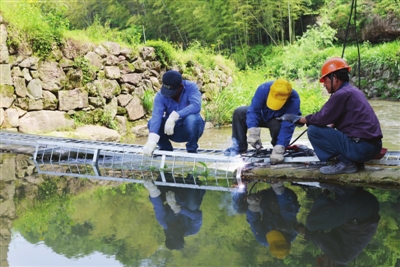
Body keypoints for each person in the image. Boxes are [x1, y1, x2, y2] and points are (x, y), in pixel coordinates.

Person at [278, 57, 383, 174]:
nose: (324, 85)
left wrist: (299, 119)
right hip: (374, 147)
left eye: (325, 80)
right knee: (322, 129)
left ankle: (346, 163)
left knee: (313, 130)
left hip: (360, 148)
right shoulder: (354, 91)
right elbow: (335, 120)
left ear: (335, 78)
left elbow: (322, 118)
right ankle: (353, 161)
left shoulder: (341, 94)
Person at [294, 184, 380, 267]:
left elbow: (325, 238)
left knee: (330, 215)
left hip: (371, 204)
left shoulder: (347, 255)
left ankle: (347, 191)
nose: (322, 257)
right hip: (358, 209)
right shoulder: (339, 258)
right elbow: (320, 240)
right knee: (312, 224)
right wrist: (305, 232)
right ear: (333, 265)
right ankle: (343, 191)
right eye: (323, 262)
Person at [224, 79, 301, 164]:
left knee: (277, 126)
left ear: (288, 96)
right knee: (239, 112)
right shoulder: (264, 88)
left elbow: (288, 125)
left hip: (277, 119)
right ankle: (239, 147)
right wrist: (253, 132)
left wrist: (280, 147)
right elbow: (253, 111)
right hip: (262, 114)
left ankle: (278, 149)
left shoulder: (294, 99)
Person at [143, 70, 205, 156]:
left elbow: (196, 106)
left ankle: (192, 149)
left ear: (180, 87)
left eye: (171, 92)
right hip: (171, 130)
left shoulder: (191, 87)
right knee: (151, 123)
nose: (168, 95)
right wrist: (151, 140)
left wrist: (175, 115)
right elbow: (156, 117)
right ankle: (165, 149)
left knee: (193, 119)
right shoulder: (160, 96)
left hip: (191, 129)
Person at [232, 182, 300, 259]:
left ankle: (241, 183)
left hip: (264, 202)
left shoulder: (262, 238)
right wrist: (278, 189)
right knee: (275, 205)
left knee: (239, 207)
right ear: (286, 240)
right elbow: (287, 209)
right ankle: (277, 186)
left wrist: (253, 205)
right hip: (286, 198)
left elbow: (253, 221)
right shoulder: (292, 232)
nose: (274, 231)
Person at [143, 174, 206, 250]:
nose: (171, 228)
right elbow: (198, 216)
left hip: (172, 192)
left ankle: (165, 175)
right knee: (193, 207)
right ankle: (192, 177)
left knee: (155, 197)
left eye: (169, 233)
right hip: (188, 194)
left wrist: (152, 191)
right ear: (180, 235)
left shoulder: (164, 222)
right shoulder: (192, 230)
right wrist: (180, 210)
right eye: (173, 232)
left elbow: (158, 206)